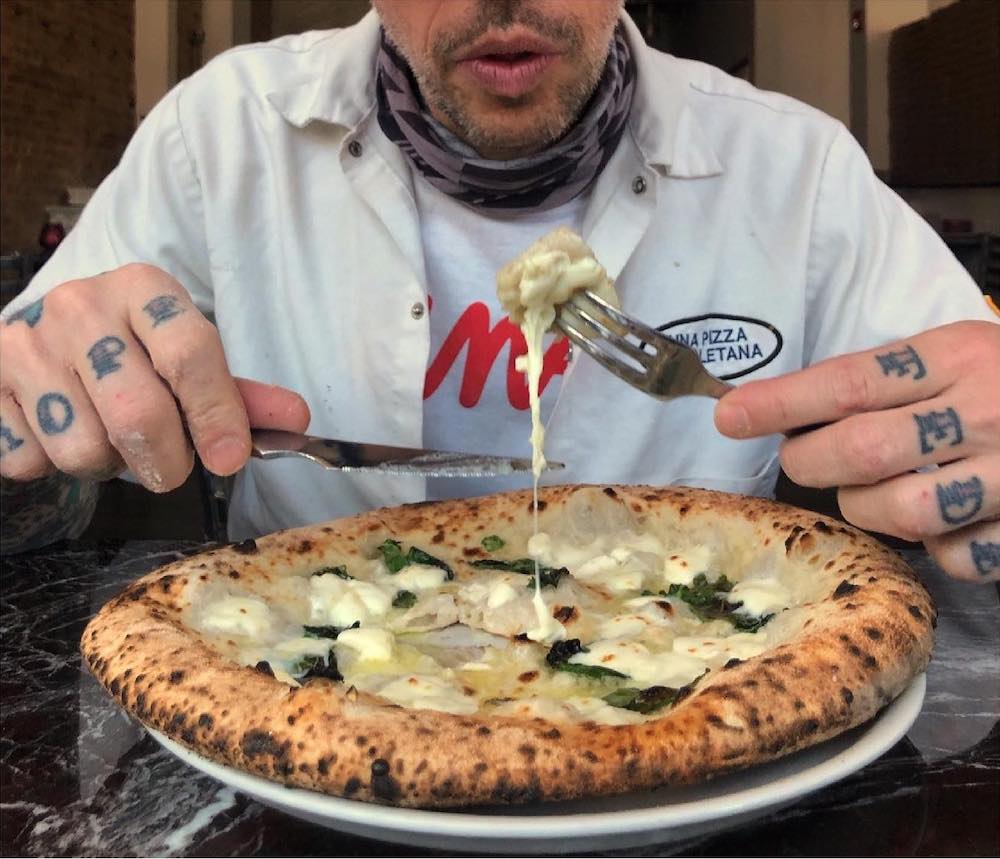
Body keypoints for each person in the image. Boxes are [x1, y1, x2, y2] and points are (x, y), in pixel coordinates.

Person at [1, 1, 997, 581]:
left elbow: (968, 395)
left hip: (686, 684)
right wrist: (37, 416)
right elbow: (35, 454)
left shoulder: (797, 166)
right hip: (302, 675)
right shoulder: (219, 133)